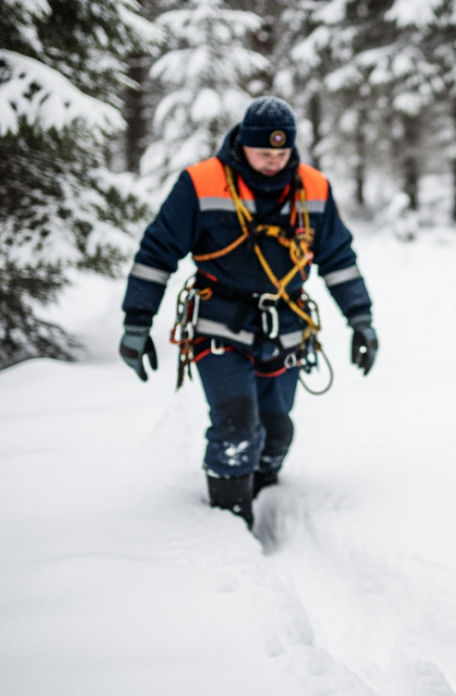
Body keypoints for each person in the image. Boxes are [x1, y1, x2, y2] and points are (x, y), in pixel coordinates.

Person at [118, 96, 377, 527]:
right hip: (219, 320)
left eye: (282, 153)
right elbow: (156, 253)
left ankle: (259, 491)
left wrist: (361, 319)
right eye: (264, 153)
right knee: (237, 427)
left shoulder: (313, 187)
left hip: (287, 325)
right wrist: (136, 323)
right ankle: (231, 527)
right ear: (243, 145)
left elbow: (338, 259)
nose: (274, 162)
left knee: (276, 430)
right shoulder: (201, 183)